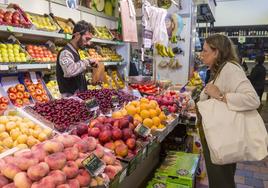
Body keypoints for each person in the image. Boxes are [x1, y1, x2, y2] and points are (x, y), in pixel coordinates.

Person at [198, 34, 260, 188]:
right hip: (218, 137)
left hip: (222, 138)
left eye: (205, 51)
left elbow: (253, 99)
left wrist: (220, 95)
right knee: (219, 180)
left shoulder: (230, 69)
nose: (201, 54)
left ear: (216, 52)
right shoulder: (220, 70)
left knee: (221, 182)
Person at [56, 20, 98, 97]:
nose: (88, 43)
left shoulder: (75, 51)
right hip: (70, 101)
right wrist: (88, 61)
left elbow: (76, 71)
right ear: (78, 35)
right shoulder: (65, 52)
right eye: (87, 39)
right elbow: (69, 71)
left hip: (77, 98)